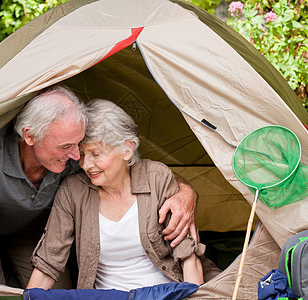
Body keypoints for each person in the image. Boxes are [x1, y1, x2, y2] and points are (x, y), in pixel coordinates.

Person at [0, 86, 198, 288]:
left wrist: (186, 194)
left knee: (55, 294)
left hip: (33, 233)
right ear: (30, 137)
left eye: (83, 148)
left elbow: (144, 173)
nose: (78, 158)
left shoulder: (74, 161)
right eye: (68, 147)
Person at [27, 99, 218, 291]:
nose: (86, 165)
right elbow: (48, 261)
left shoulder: (157, 178)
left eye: (95, 153)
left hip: (165, 294)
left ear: (126, 150)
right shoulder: (73, 191)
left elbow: (188, 256)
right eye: (83, 155)